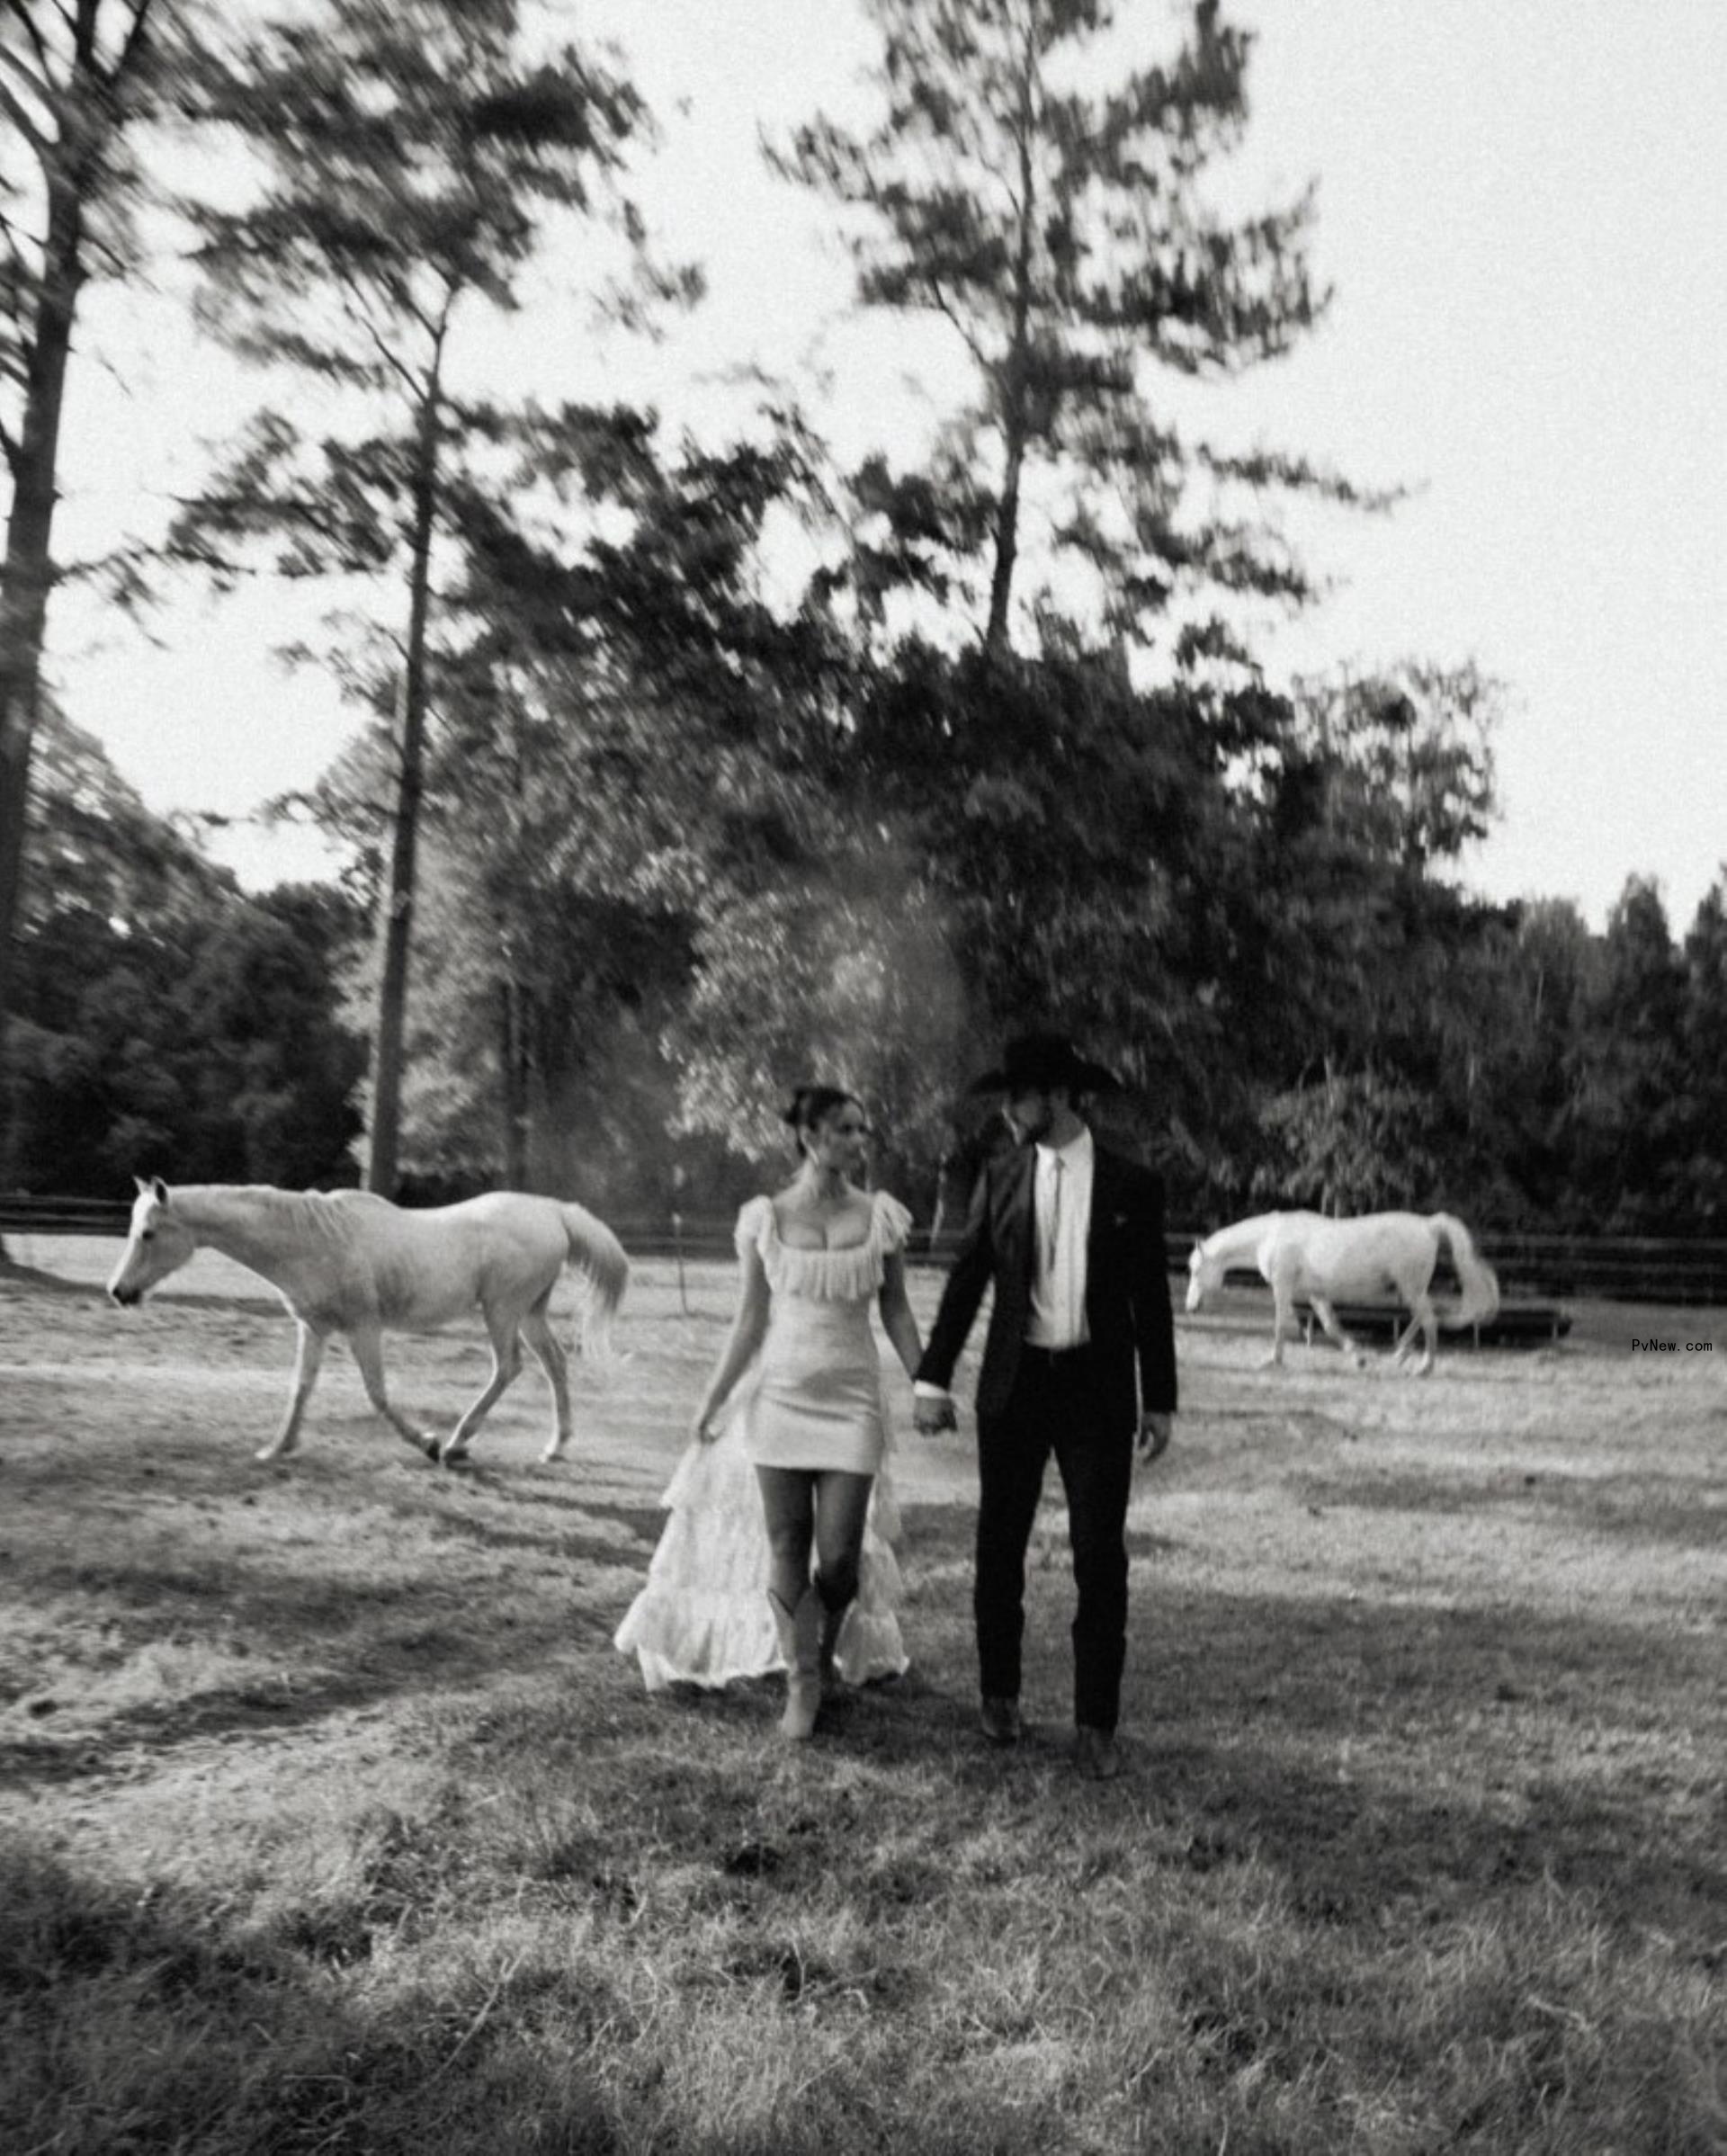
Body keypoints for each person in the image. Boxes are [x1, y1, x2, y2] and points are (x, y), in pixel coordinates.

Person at [614, 1085, 924, 1740]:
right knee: (788, 1541)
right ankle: (803, 1680)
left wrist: (929, 1381)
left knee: (839, 1556)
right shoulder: (764, 1216)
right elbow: (750, 1319)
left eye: (861, 1130)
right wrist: (712, 1397)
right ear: (809, 1136)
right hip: (778, 1397)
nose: (857, 1141)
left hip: (853, 1402)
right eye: (844, 1129)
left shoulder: (882, 1215)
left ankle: (822, 1649)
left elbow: (895, 1307)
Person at [912, 1031, 1177, 1780]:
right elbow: (967, 1281)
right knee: (1000, 1545)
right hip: (1015, 1385)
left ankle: (1097, 1723)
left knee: (1100, 1555)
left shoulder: (1132, 1182)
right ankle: (1000, 1694)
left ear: (1056, 1095)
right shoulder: (999, 1174)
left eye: (1015, 1096)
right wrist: (933, 1378)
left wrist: (1159, 1397)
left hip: (1096, 1389)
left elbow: (1150, 1298)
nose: (1006, 1110)